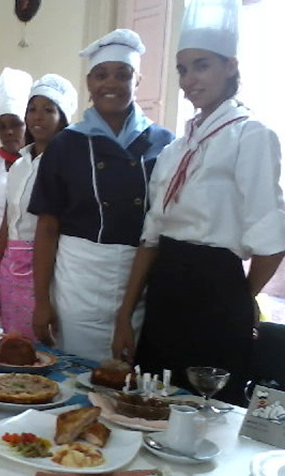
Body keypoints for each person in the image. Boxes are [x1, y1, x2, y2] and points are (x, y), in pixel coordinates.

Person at [112, 0, 285, 405]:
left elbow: (272, 241)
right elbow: (151, 240)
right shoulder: (175, 149)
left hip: (217, 291)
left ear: (231, 66)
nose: (189, 79)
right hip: (164, 291)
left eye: (201, 65)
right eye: (182, 69)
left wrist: (238, 302)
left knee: (207, 415)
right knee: (151, 406)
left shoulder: (252, 137)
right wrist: (125, 314)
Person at [27, 29, 175, 361]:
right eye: (100, 75)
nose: (111, 84)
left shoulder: (164, 142)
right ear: (89, 83)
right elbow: (47, 227)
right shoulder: (66, 144)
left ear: (138, 80)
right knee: (75, 373)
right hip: (77, 277)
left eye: (123, 75)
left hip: (139, 279)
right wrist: (41, 301)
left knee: (125, 380)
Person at [0, 74, 78, 339]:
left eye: (48, 110)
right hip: (10, 267)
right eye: (32, 110)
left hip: (46, 268)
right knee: (11, 342)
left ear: (63, 116)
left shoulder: (67, 163)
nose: (38, 117)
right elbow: (8, 222)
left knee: (42, 345)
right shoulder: (20, 165)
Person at [0, 67, 32, 326]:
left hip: (27, 262)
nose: (9, 132)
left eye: (15, 124)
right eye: (2, 126)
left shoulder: (38, 164)